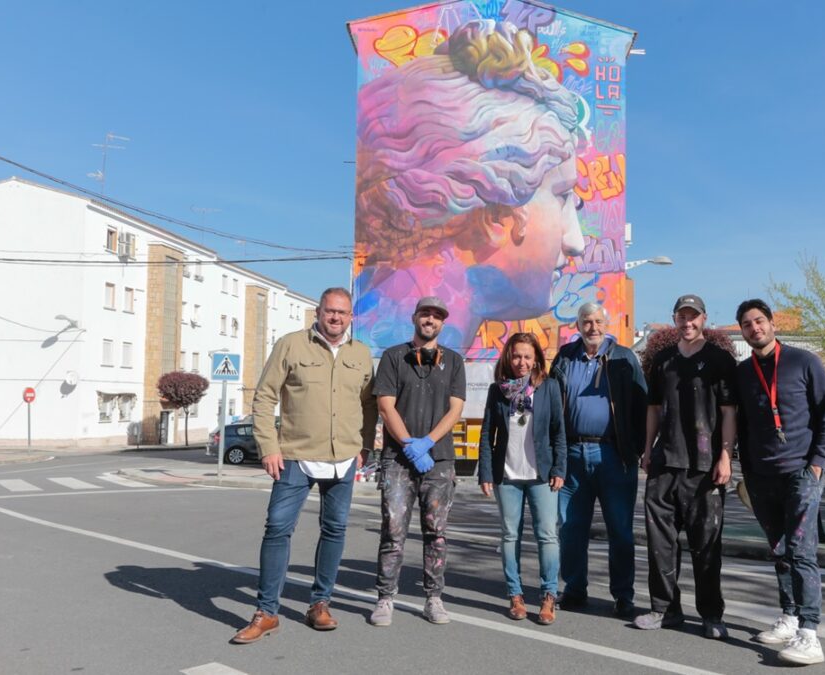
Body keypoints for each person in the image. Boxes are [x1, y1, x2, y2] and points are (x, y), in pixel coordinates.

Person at [353, 19, 588, 351]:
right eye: (562, 196)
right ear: (495, 216)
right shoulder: (391, 349)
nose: (576, 243)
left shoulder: (378, 328)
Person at [231, 287, 378, 644]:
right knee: (278, 529)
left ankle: (320, 604)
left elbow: (368, 405)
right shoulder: (291, 344)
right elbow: (264, 396)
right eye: (330, 311)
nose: (336, 318)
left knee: (335, 530)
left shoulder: (361, 354)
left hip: (343, 457)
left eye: (342, 313)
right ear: (318, 312)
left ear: (350, 317)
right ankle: (267, 612)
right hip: (295, 456)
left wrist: (365, 445)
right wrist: (268, 446)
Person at [734, 299, 825, 666]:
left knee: (801, 551)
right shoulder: (743, 372)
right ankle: (790, 616)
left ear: (772, 323)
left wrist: (816, 465)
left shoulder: (804, 361)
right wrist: (746, 470)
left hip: (800, 472)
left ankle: (810, 634)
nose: (755, 329)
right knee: (779, 549)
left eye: (759, 321)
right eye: (747, 325)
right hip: (762, 476)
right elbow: (744, 426)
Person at [635, 295, 736, 639]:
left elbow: (728, 412)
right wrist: (647, 449)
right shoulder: (663, 360)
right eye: (682, 316)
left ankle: (711, 614)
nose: (688, 322)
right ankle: (664, 608)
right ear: (675, 319)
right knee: (660, 543)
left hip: (704, 467)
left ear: (704, 319)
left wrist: (725, 456)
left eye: (694, 317)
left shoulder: (720, 360)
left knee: (706, 545)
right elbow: (652, 407)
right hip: (665, 463)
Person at [369, 296, 466, 626]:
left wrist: (428, 443)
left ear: (442, 323)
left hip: (438, 461)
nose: (430, 319)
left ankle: (433, 598)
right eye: (425, 313)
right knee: (393, 531)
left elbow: (455, 409)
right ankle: (385, 598)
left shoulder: (453, 361)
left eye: (437, 316)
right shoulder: (394, 357)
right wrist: (410, 444)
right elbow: (385, 405)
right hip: (398, 459)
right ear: (414, 317)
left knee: (436, 533)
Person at [549, 302, 647, 618]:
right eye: (586, 321)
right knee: (571, 527)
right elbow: (551, 405)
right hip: (572, 454)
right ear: (577, 325)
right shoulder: (565, 357)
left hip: (614, 455)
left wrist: (637, 449)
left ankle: (623, 596)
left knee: (620, 529)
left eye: (598, 321)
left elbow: (641, 404)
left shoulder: (624, 358)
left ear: (607, 324)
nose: (593, 327)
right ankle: (575, 590)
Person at [478, 333, 567, 624]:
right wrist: (486, 473)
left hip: (541, 475)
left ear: (537, 359)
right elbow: (487, 433)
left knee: (547, 535)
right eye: (517, 356)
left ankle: (548, 596)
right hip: (508, 475)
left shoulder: (549, 388)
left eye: (528, 356)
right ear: (508, 357)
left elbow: (558, 433)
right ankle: (515, 596)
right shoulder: (497, 390)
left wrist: (559, 470)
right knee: (509, 535)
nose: (522, 362)